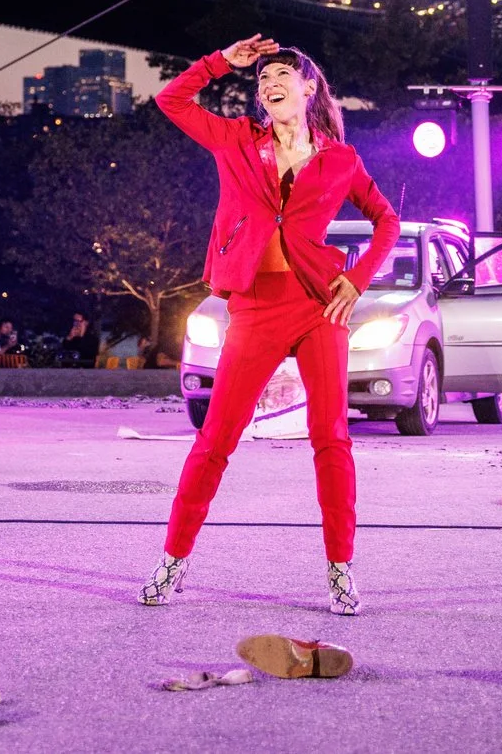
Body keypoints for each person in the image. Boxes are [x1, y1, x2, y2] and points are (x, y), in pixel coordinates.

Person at [144, 36, 400, 618]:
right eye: (261, 80)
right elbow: (171, 101)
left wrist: (356, 280)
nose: (267, 84)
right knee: (215, 440)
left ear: (309, 88)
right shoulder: (236, 139)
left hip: (317, 303)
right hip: (255, 304)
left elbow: (387, 219)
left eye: (280, 74)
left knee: (331, 436)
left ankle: (341, 572)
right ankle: (172, 563)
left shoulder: (341, 159)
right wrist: (217, 63)